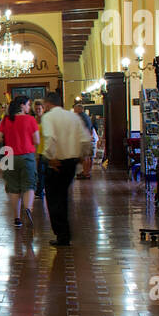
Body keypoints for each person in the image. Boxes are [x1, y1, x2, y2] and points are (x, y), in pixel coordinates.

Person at [40, 92, 93, 247]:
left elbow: (50, 137)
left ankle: (62, 234)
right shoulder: (73, 117)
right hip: (71, 162)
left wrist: (49, 157)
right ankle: (65, 233)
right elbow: (85, 138)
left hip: (56, 161)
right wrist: (83, 155)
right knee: (63, 195)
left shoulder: (48, 117)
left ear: (48, 104)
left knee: (53, 198)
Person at [0, 96, 39, 229]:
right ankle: (28, 208)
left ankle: (17, 217)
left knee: (13, 187)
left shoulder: (6, 120)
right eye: (28, 104)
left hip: (9, 156)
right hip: (27, 155)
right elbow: (36, 140)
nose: (29, 107)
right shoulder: (30, 119)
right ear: (22, 105)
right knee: (29, 184)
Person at [73, 103, 96, 179]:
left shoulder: (81, 117)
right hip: (88, 138)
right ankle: (87, 172)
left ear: (79, 109)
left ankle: (86, 173)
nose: (74, 110)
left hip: (83, 140)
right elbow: (92, 128)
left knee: (85, 157)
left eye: (75, 109)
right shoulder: (87, 116)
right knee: (88, 157)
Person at [33, 99, 47, 199]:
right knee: (38, 169)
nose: (38, 110)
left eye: (39, 109)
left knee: (42, 169)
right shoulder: (33, 119)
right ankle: (39, 188)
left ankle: (41, 189)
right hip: (35, 147)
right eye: (36, 109)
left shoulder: (46, 120)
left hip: (44, 146)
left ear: (43, 109)